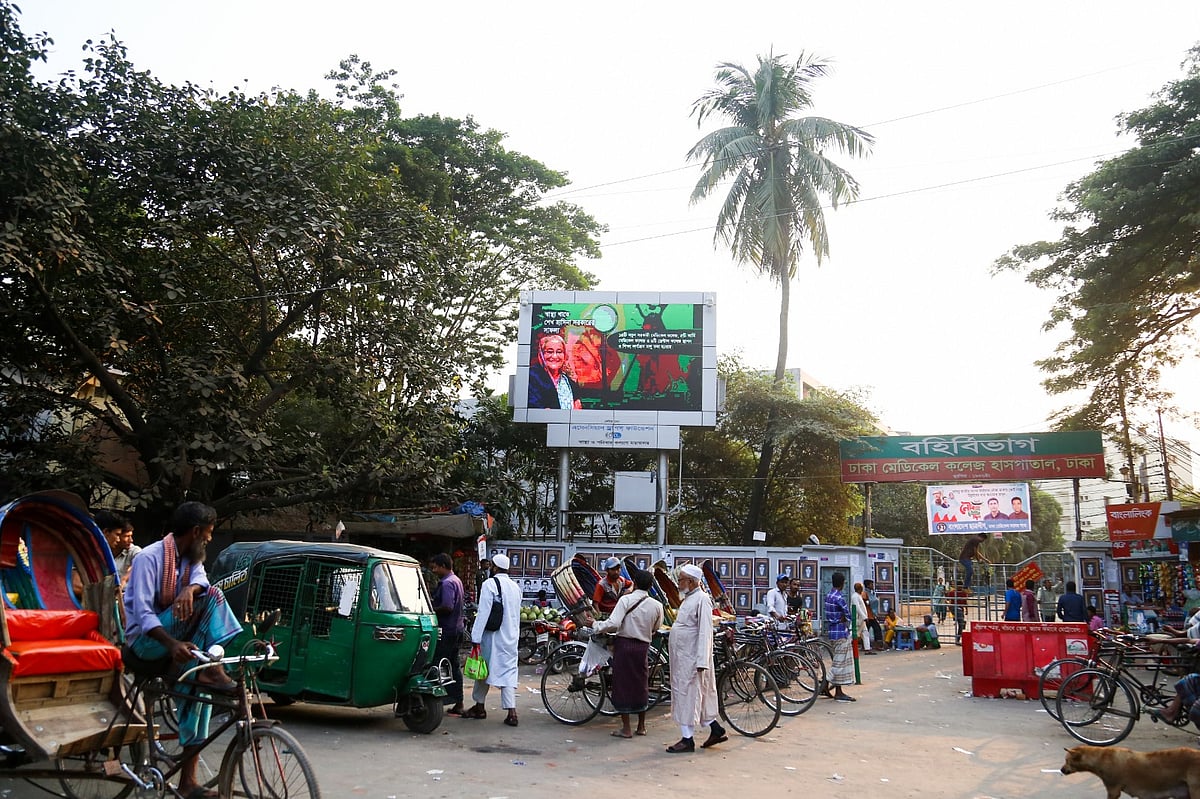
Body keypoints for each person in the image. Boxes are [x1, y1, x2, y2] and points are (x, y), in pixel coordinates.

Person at [123, 501, 243, 799]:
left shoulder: (190, 558)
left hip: (174, 636)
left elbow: (201, 580)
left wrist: (189, 589)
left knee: (197, 693)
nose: (210, 539)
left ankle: (188, 782)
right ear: (196, 531)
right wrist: (172, 644)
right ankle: (212, 667)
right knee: (213, 595)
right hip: (146, 642)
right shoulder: (149, 558)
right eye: (209, 533)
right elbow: (142, 614)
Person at [590, 569, 664, 739]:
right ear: (651, 586)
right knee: (641, 684)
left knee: (622, 685)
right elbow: (656, 627)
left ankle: (626, 728)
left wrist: (595, 624)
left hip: (624, 646)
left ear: (635, 583)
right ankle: (641, 726)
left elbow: (614, 623)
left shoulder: (625, 600)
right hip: (643, 647)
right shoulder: (657, 605)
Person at [666, 564, 726, 753]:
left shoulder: (702, 600)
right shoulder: (689, 599)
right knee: (692, 697)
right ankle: (715, 729)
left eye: (681, 579)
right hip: (683, 657)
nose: (678, 583)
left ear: (691, 582)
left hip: (692, 659)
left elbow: (705, 633)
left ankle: (687, 739)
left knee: (688, 697)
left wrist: (701, 660)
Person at [464, 553, 522, 726]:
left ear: (495, 568)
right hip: (511, 637)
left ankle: (480, 706)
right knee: (509, 672)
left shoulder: (490, 584)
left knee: (483, 670)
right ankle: (511, 712)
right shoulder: (515, 587)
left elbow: (483, 613)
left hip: (492, 637)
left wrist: (475, 637)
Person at [429, 553, 465, 717]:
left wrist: (430, 609)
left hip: (447, 630)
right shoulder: (456, 580)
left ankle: (438, 700)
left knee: (438, 663)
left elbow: (447, 606)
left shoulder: (447, 583)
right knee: (454, 665)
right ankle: (458, 702)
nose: (434, 570)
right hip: (456, 629)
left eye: (435, 567)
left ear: (443, 565)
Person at [822, 572, 856, 702]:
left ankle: (838, 690)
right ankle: (825, 683)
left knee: (839, 661)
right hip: (841, 631)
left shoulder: (828, 596)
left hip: (831, 631)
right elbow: (848, 615)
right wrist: (843, 618)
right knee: (839, 663)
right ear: (842, 583)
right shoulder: (839, 597)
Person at [527, 333, 583, 410]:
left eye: (559, 352)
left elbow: (577, 406)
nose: (554, 356)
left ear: (564, 355)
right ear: (542, 354)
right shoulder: (531, 376)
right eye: (549, 352)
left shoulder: (569, 380)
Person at [853, 582, 874, 655]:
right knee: (854, 634)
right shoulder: (855, 596)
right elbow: (857, 608)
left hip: (862, 619)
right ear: (859, 589)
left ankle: (867, 649)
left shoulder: (858, 596)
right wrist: (864, 617)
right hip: (858, 619)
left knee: (865, 633)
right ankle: (848, 646)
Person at [863, 578, 883, 648]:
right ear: (868, 585)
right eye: (871, 584)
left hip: (872, 615)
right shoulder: (865, 594)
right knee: (869, 630)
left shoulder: (871, 593)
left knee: (876, 629)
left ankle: (876, 645)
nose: (873, 586)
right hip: (867, 615)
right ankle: (867, 646)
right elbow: (865, 603)